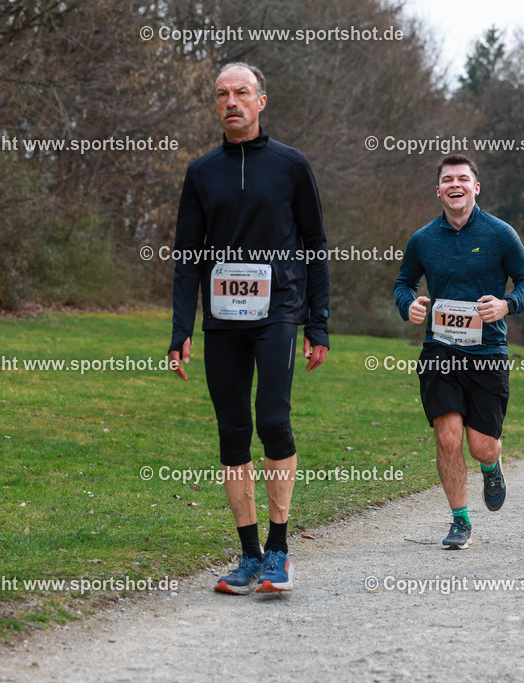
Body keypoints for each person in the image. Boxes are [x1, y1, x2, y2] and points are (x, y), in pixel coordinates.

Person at [168, 63, 330, 594]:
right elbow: (187, 257)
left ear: (261, 101)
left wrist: (318, 322)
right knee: (233, 429)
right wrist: (181, 328)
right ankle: (249, 555)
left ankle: (279, 550)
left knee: (273, 420)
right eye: (222, 94)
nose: (231, 102)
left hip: (278, 309)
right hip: (222, 317)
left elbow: (315, 246)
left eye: (242, 93)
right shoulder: (201, 172)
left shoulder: (291, 165)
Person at [393, 154, 524, 550]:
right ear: (438, 190)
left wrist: (507, 305)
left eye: (462, 179)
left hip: (487, 350)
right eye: (447, 179)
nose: (454, 185)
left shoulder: (500, 234)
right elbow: (404, 283)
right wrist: (409, 305)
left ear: (476, 187)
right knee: (447, 436)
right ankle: (460, 519)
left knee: (480, 445)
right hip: (440, 349)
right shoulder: (423, 239)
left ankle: (492, 465)